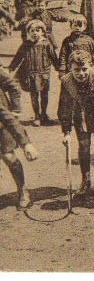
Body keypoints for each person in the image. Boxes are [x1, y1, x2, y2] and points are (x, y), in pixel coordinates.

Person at [57, 50, 94, 196]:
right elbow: (64, 107)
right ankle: (86, 181)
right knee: (83, 147)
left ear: (90, 66)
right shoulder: (66, 81)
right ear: (70, 68)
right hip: (80, 116)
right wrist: (66, 132)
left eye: (84, 69)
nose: (81, 73)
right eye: (76, 70)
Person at [0, 66, 39, 208]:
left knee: (8, 156)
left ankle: (22, 189)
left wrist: (25, 143)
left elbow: (7, 117)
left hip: (3, 122)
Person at [10, 19, 59, 126]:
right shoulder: (26, 44)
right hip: (32, 74)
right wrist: (11, 68)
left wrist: (59, 69)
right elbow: (18, 57)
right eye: (32, 31)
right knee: (34, 95)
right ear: (28, 32)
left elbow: (53, 57)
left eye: (38, 30)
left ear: (43, 31)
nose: (35, 33)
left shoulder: (46, 44)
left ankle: (44, 115)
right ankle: (37, 116)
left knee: (45, 94)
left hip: (44, 73)